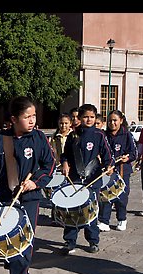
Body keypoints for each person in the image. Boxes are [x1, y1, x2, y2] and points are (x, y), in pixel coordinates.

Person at [0, 96, 55, 274]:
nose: (32, 120)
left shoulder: (39, 138)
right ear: (14, 119)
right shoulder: (0, 139)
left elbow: (48, 165)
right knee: (6, 240)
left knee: (24, 240)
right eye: (27, 117)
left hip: (29, 198)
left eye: (33, 116)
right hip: (6, 196)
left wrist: (36, 183)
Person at [59, 103, 114, 255]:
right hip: (75, 179)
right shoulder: (72, 135)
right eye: (85, 117)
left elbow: (107, 155)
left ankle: (93, 241)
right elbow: (65, 155)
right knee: (72, 211)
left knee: (91, 212)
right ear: (79, 118)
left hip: (93, 179)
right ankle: (69, 241)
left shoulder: (99, 135)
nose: (89, 120)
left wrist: (109, 166)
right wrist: (64, 162)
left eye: (92, 117)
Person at [97, 110, 137, 232]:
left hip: (122, 170)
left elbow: (134, 153)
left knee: (121, 195)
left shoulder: (127, 135)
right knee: (105, 195)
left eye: (115, 120)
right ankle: (104, 221)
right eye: (110, 121)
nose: (112, 123)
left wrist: (128, 158)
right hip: (107, 170)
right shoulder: (103, 135)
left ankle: (122, 219)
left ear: (121, 121)